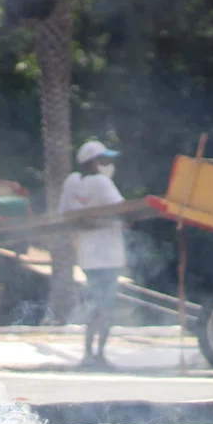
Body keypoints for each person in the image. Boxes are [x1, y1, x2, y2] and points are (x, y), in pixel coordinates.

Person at [57, 140, 127, 369]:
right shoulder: (103, 182)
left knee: (95, 305)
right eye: (105, 160)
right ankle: (98, 355)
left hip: (88, 256)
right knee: (105, 307)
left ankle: (89, 354)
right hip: (109, 255)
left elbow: (63, 213)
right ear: (94, 162)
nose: (108, 164)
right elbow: (122, 210)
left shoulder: (71, 183)